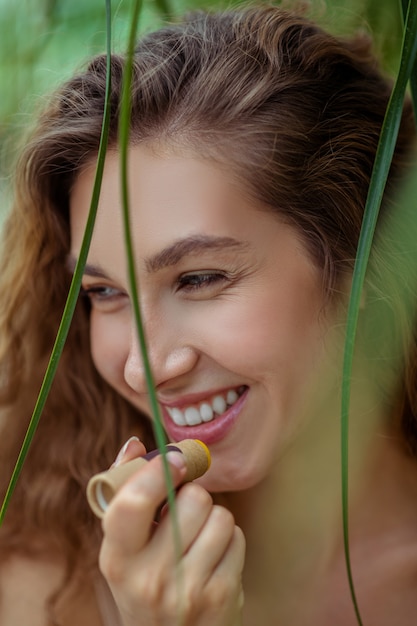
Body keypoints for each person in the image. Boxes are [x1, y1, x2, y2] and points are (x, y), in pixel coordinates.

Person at [0, 4, 416, 625]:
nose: (145, 369)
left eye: (199, 278)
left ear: (362, 264)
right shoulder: (49, 561)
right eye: (103, 293)